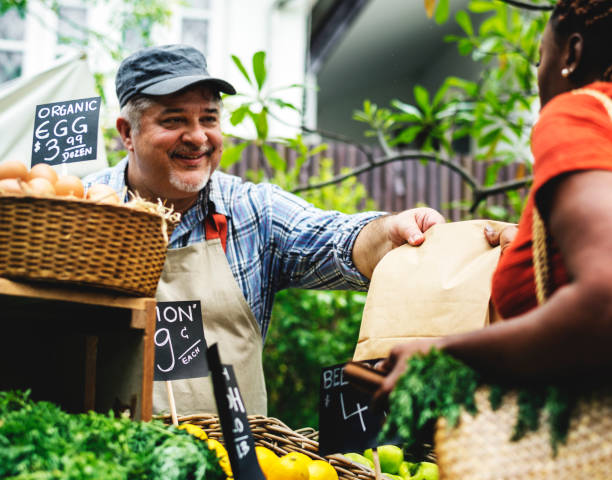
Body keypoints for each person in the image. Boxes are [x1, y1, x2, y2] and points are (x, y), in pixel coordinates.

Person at [84, 44, 446, 415]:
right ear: (127, 133)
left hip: (232, 465)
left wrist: (391, 231)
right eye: (174, 120)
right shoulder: (75, 210)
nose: (197, 137)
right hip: (105, 461)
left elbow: (338, 239)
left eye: (208, 119)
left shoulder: (253, 212)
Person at [375, 0, 612, 400]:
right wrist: (528, 245)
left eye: (540, 59)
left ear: (571, 53)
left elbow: (602, 298)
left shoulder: (578, 113)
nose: (538, 76)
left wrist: (443, 350)